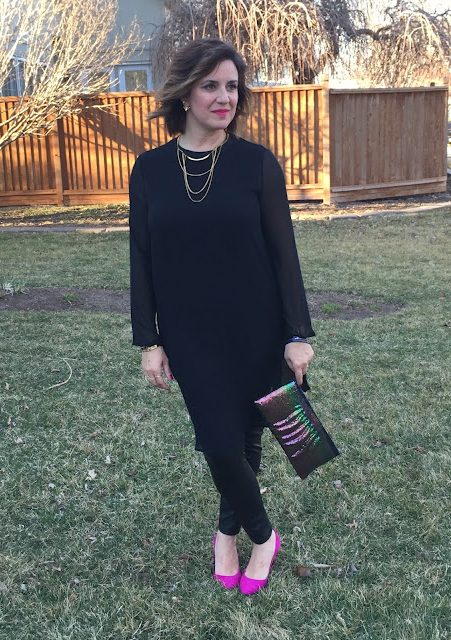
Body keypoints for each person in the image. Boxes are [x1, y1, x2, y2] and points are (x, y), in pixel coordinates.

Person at [129, 38, 315, 595]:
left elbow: (283, 255)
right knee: (219, 441)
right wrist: (149, 340)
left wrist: (297, 333)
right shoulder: (150, 169)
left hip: (256, 327)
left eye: (232, 86)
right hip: (190, 334)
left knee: (248, 432)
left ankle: (226, 536)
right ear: (185, 93)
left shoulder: (257, 163)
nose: (224, 97)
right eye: (210, 85)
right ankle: (264, 536)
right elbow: (141, 258)